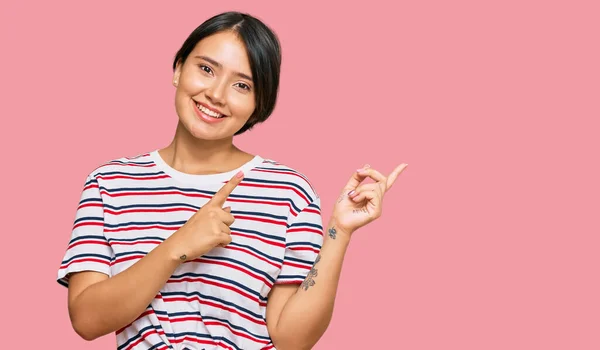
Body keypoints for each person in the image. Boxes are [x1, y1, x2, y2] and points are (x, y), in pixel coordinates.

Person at [57, 11, 407, 350]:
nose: (217, 94)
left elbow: (291, 340)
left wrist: (339, 232)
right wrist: (178, 245)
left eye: (242, 85)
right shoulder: (111, 182)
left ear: (258, 105)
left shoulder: (287, 191)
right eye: (206, 69)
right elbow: (87, 321)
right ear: (178, 69)